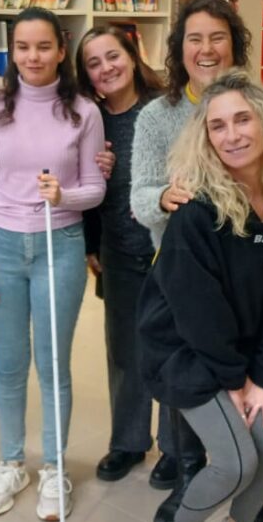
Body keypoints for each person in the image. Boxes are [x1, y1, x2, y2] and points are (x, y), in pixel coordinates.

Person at [138, 70, 263, 522]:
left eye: (242, 119)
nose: (232, 135)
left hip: (247, 348)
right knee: (236, 463)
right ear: (205, 138)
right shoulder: (196, 211)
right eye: (217, 126)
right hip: (184, 348)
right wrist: (235, 381)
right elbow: (197, 312)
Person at [0, 7, 105, 519]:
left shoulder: (83, 112)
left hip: (59, 246)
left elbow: (95, 189)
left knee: (52, 365)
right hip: (1, 245)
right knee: (8, 367)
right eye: (22, 47)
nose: (32, 57)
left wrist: (64, 194)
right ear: (11, 51)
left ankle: (54, 467)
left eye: (43, 46)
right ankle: (11, 462)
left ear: (60, 50)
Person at [129, 0, 259, 522]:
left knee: (243, 383)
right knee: (191, 385)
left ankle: (247, 495)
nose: (206, 50)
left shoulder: (260, 104)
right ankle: (189, 482)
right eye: (194, 39)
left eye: (218, 38)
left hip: (247, 277)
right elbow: (138, 198)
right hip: (183, 276)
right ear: (178, 49)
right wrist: (163, 196)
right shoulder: (159, 116)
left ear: (235, 45)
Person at [74, 25, 164, 483]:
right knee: (124, 351)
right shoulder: (87, 117)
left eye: (113, 56)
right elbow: (80, 186)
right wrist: (92, 244)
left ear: (132, 56)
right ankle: (128, 442)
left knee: (171, 350)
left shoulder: (165, 108)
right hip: (117, 248)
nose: (106, 68)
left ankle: (174, 448)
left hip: (168, 252)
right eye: (94, 63)